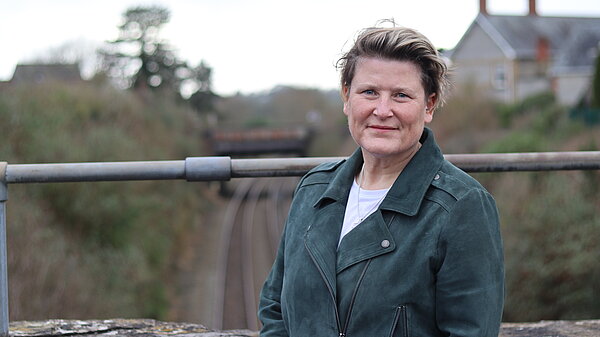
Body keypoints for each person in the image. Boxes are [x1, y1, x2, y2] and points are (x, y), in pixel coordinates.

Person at [258, 23, 504, 337]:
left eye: (401, 95)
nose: (382, 110)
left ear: (428, 105)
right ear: (347, 97)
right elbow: (274, 306)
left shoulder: (462, 206)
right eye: (369, 92)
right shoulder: (313, 189)